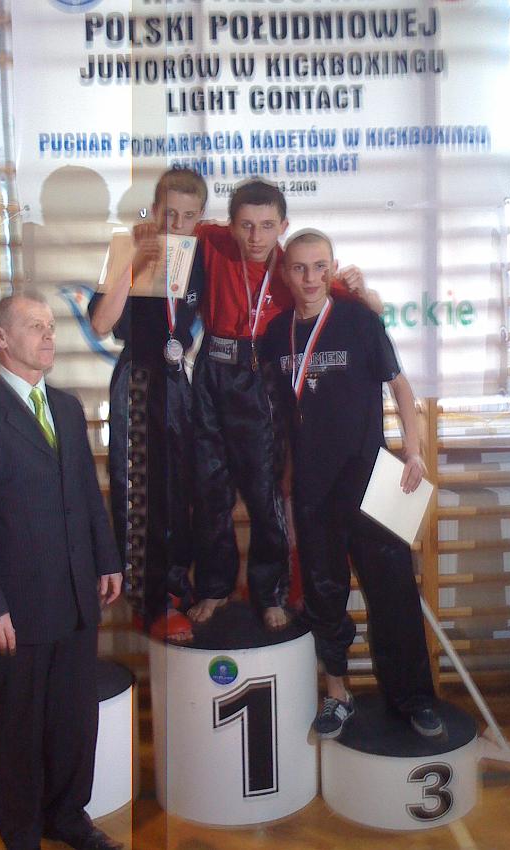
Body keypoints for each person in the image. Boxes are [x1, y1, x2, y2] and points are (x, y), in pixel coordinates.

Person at [0, 293, 124, 850]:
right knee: (19, 729)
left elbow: (86, 494)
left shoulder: (66, 407)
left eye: (50, 326)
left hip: (77, 595)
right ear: (0, 337)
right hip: (14, 611)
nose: (48, 335)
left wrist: (107, 558)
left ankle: (69, 818)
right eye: (35, 326)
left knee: (73, 721)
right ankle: (20, 833)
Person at [261, 229, 443, 739]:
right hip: (312, 488)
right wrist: (284, 481)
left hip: (371, 479)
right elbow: (280, 415)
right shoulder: (274, 335)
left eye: (320, 266)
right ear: (285, 274)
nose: (310, 278)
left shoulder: (360, 321)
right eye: (300, 268)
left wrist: (414, 450)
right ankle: (337, 694)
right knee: (324, 594)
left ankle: (413, 700)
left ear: (333, 267)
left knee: (394, 594)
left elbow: (401, 388)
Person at [188, 180, 382, 631]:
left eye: (266, 226)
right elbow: (171, 228)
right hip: (211, 372)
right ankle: (214, 587)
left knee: (265, 490)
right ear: (229, 225)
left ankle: (270, 592)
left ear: (283, 225)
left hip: (261, 375)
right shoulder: (210, 239)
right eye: (246, 225)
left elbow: (368, 308)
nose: (255, 237)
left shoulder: (294, 267)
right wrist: (145, 232)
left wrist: (364, 288)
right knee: (210, 488)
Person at [89, 168, 205, 641]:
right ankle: (148, 600)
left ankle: (173, 590)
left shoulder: (201, 254)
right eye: (169, 213)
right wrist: (135, 262)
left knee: (179, 490)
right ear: (155, 210)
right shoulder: (127, 248)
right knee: (140, 491)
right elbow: (101, 323)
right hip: (138, 377)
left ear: (200, 217)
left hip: (178, 380)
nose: (176, 224)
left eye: (187, 216)